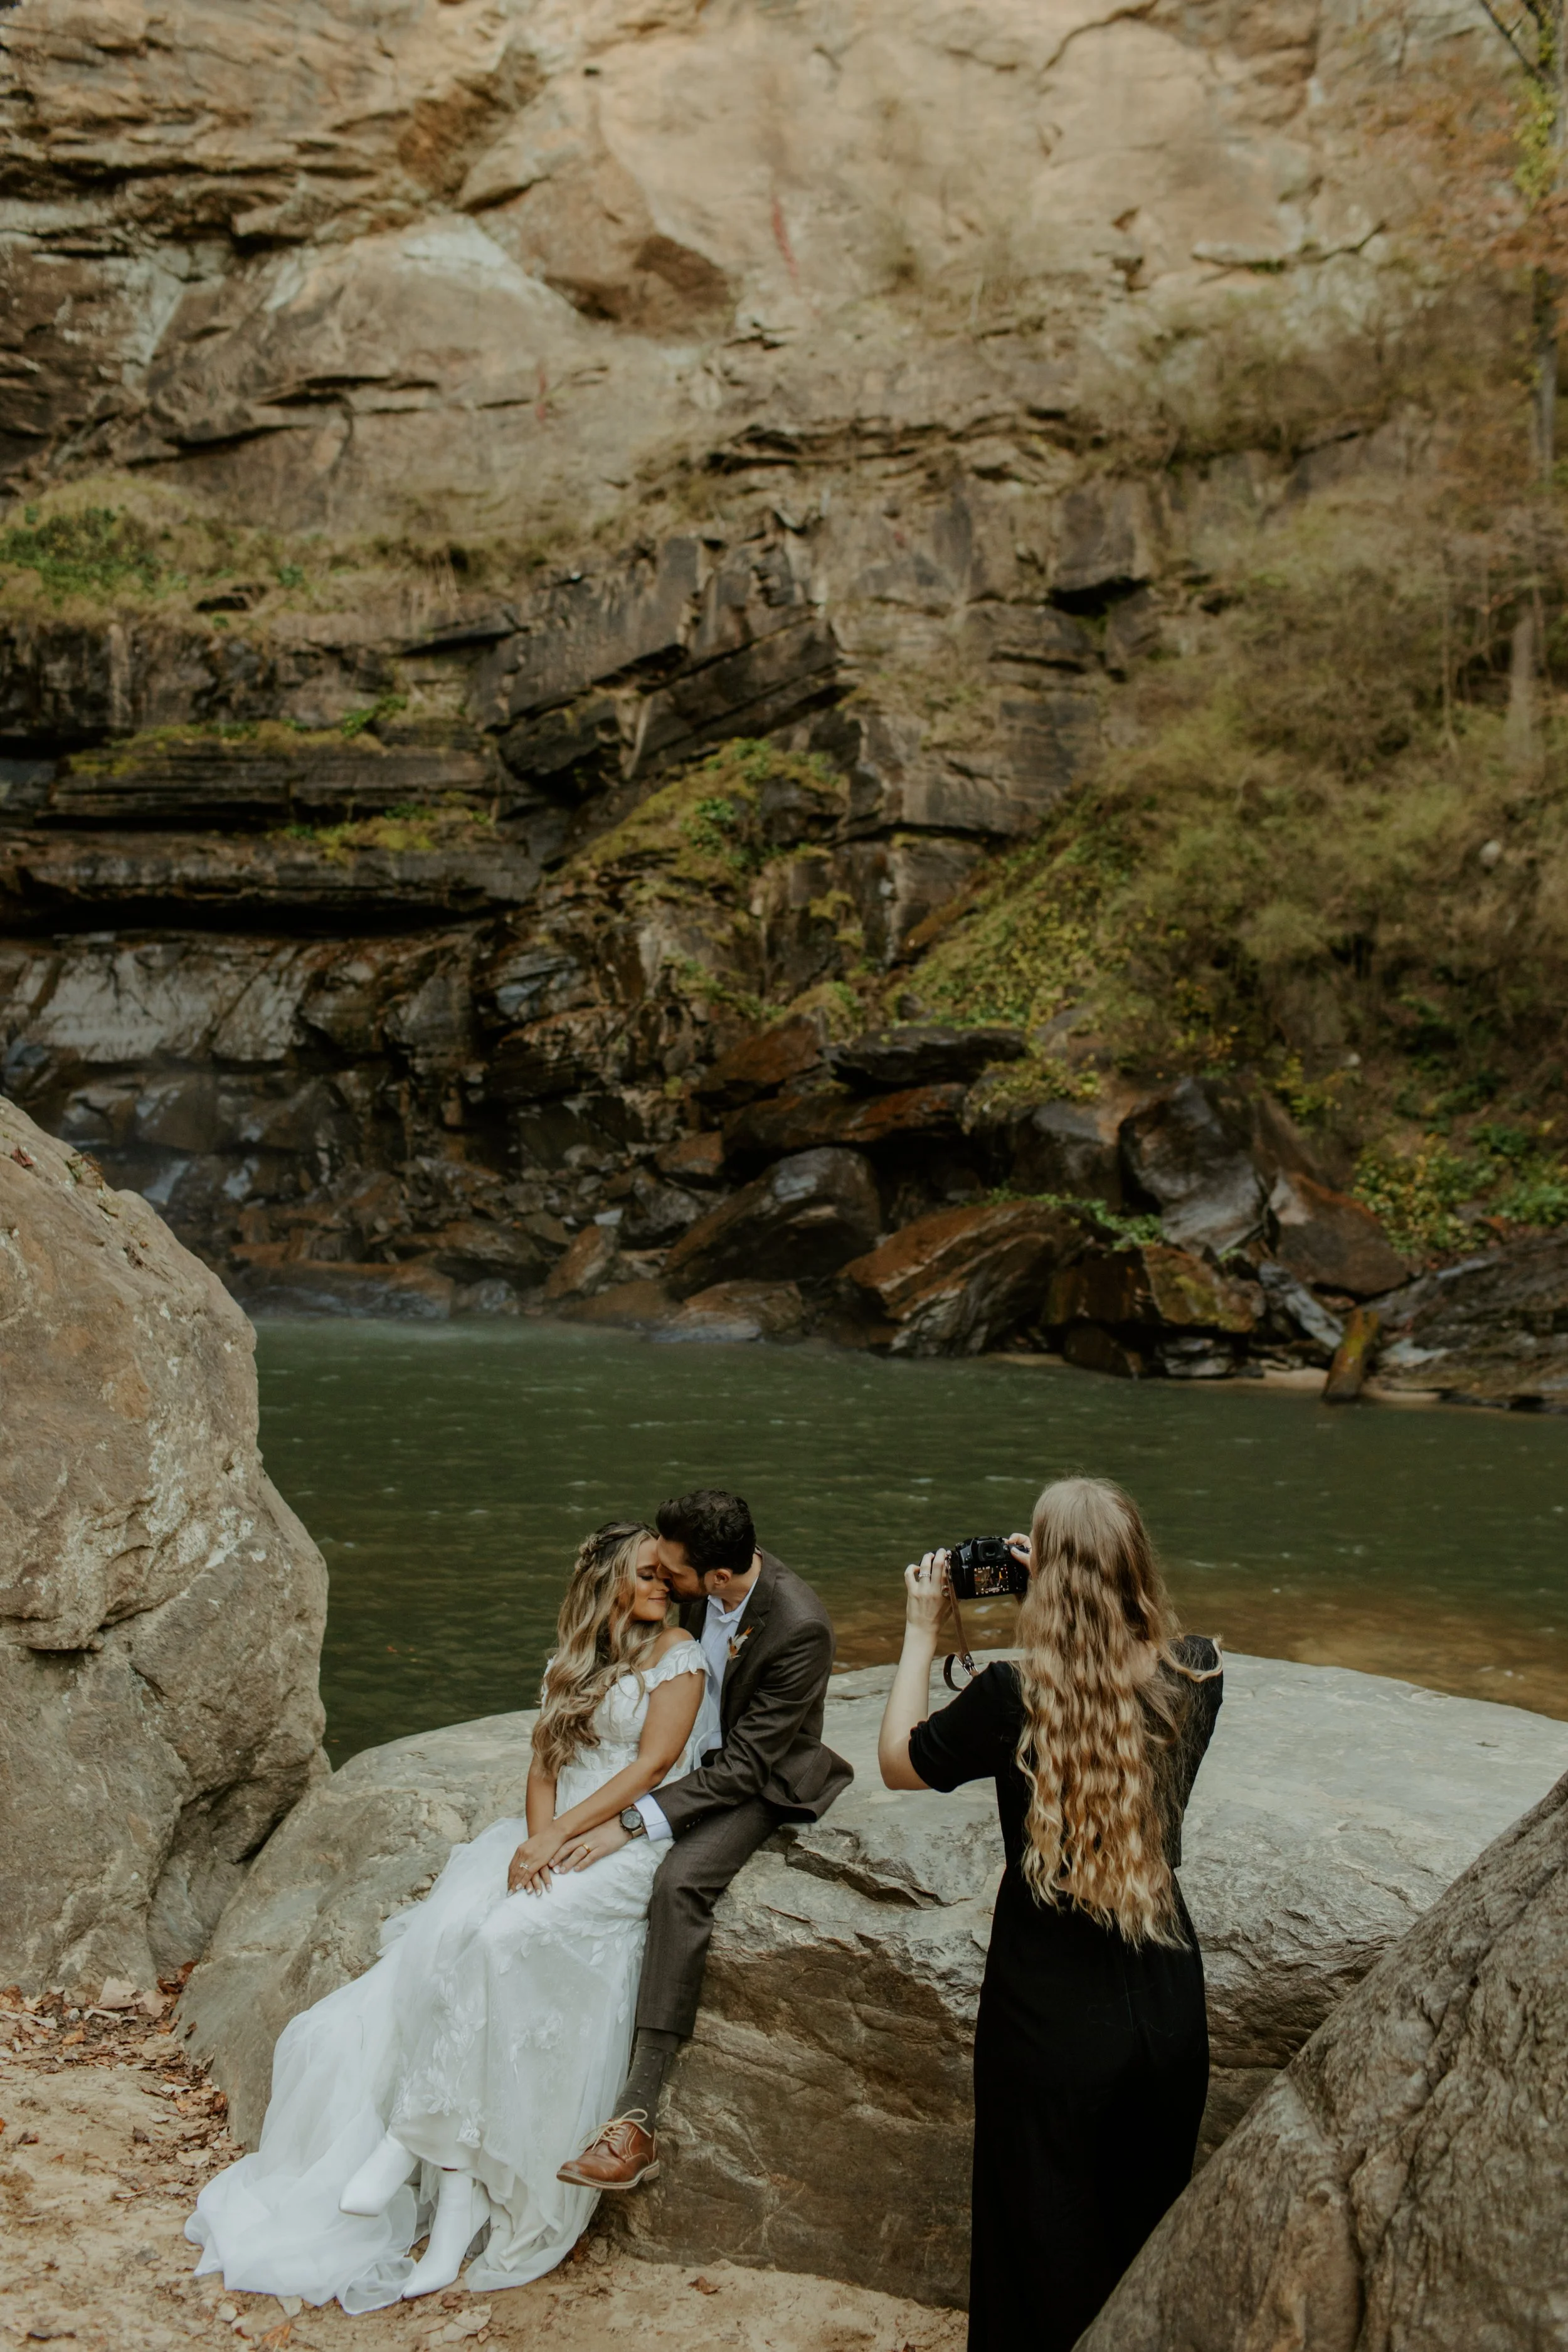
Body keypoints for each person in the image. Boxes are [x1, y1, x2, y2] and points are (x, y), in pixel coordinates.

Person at [186, 1522, 710, 2312]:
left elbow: (653, 1765)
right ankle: (458, 2195)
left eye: (668, 1578)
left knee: (502, 1937)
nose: (665, 1586)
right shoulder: (571, 1660)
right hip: (553, 1832)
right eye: (648, 1574)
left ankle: (406, 2144)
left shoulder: (679, 1657)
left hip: (620, 1841)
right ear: (606, 1581)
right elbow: (544, 1761)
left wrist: (564, 1837)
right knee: (457, 1938)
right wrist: (535, 1839)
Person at [877, 1477, 1223, 2352]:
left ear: (1049, 1572)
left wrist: (923, 1628)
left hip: (1050, 2012)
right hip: (1165, 1999)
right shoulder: (1200, 1669)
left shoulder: (1009, 1698)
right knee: (1141, 2224)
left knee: (1040, 2236)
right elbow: (1119, 1680)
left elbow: (899, 1760)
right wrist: (1066, 1591)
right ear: (1137, 1562)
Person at [555, 1486, 852, 2192]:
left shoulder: (799, 1626)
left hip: (757, 1779)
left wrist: (627, 1821)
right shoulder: (686, 1582)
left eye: (671, 1571)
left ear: (716, 1577)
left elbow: (746, 1767)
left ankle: (635, 2119)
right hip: (679, 1758)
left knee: (679, 1881)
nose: (657, 1571)